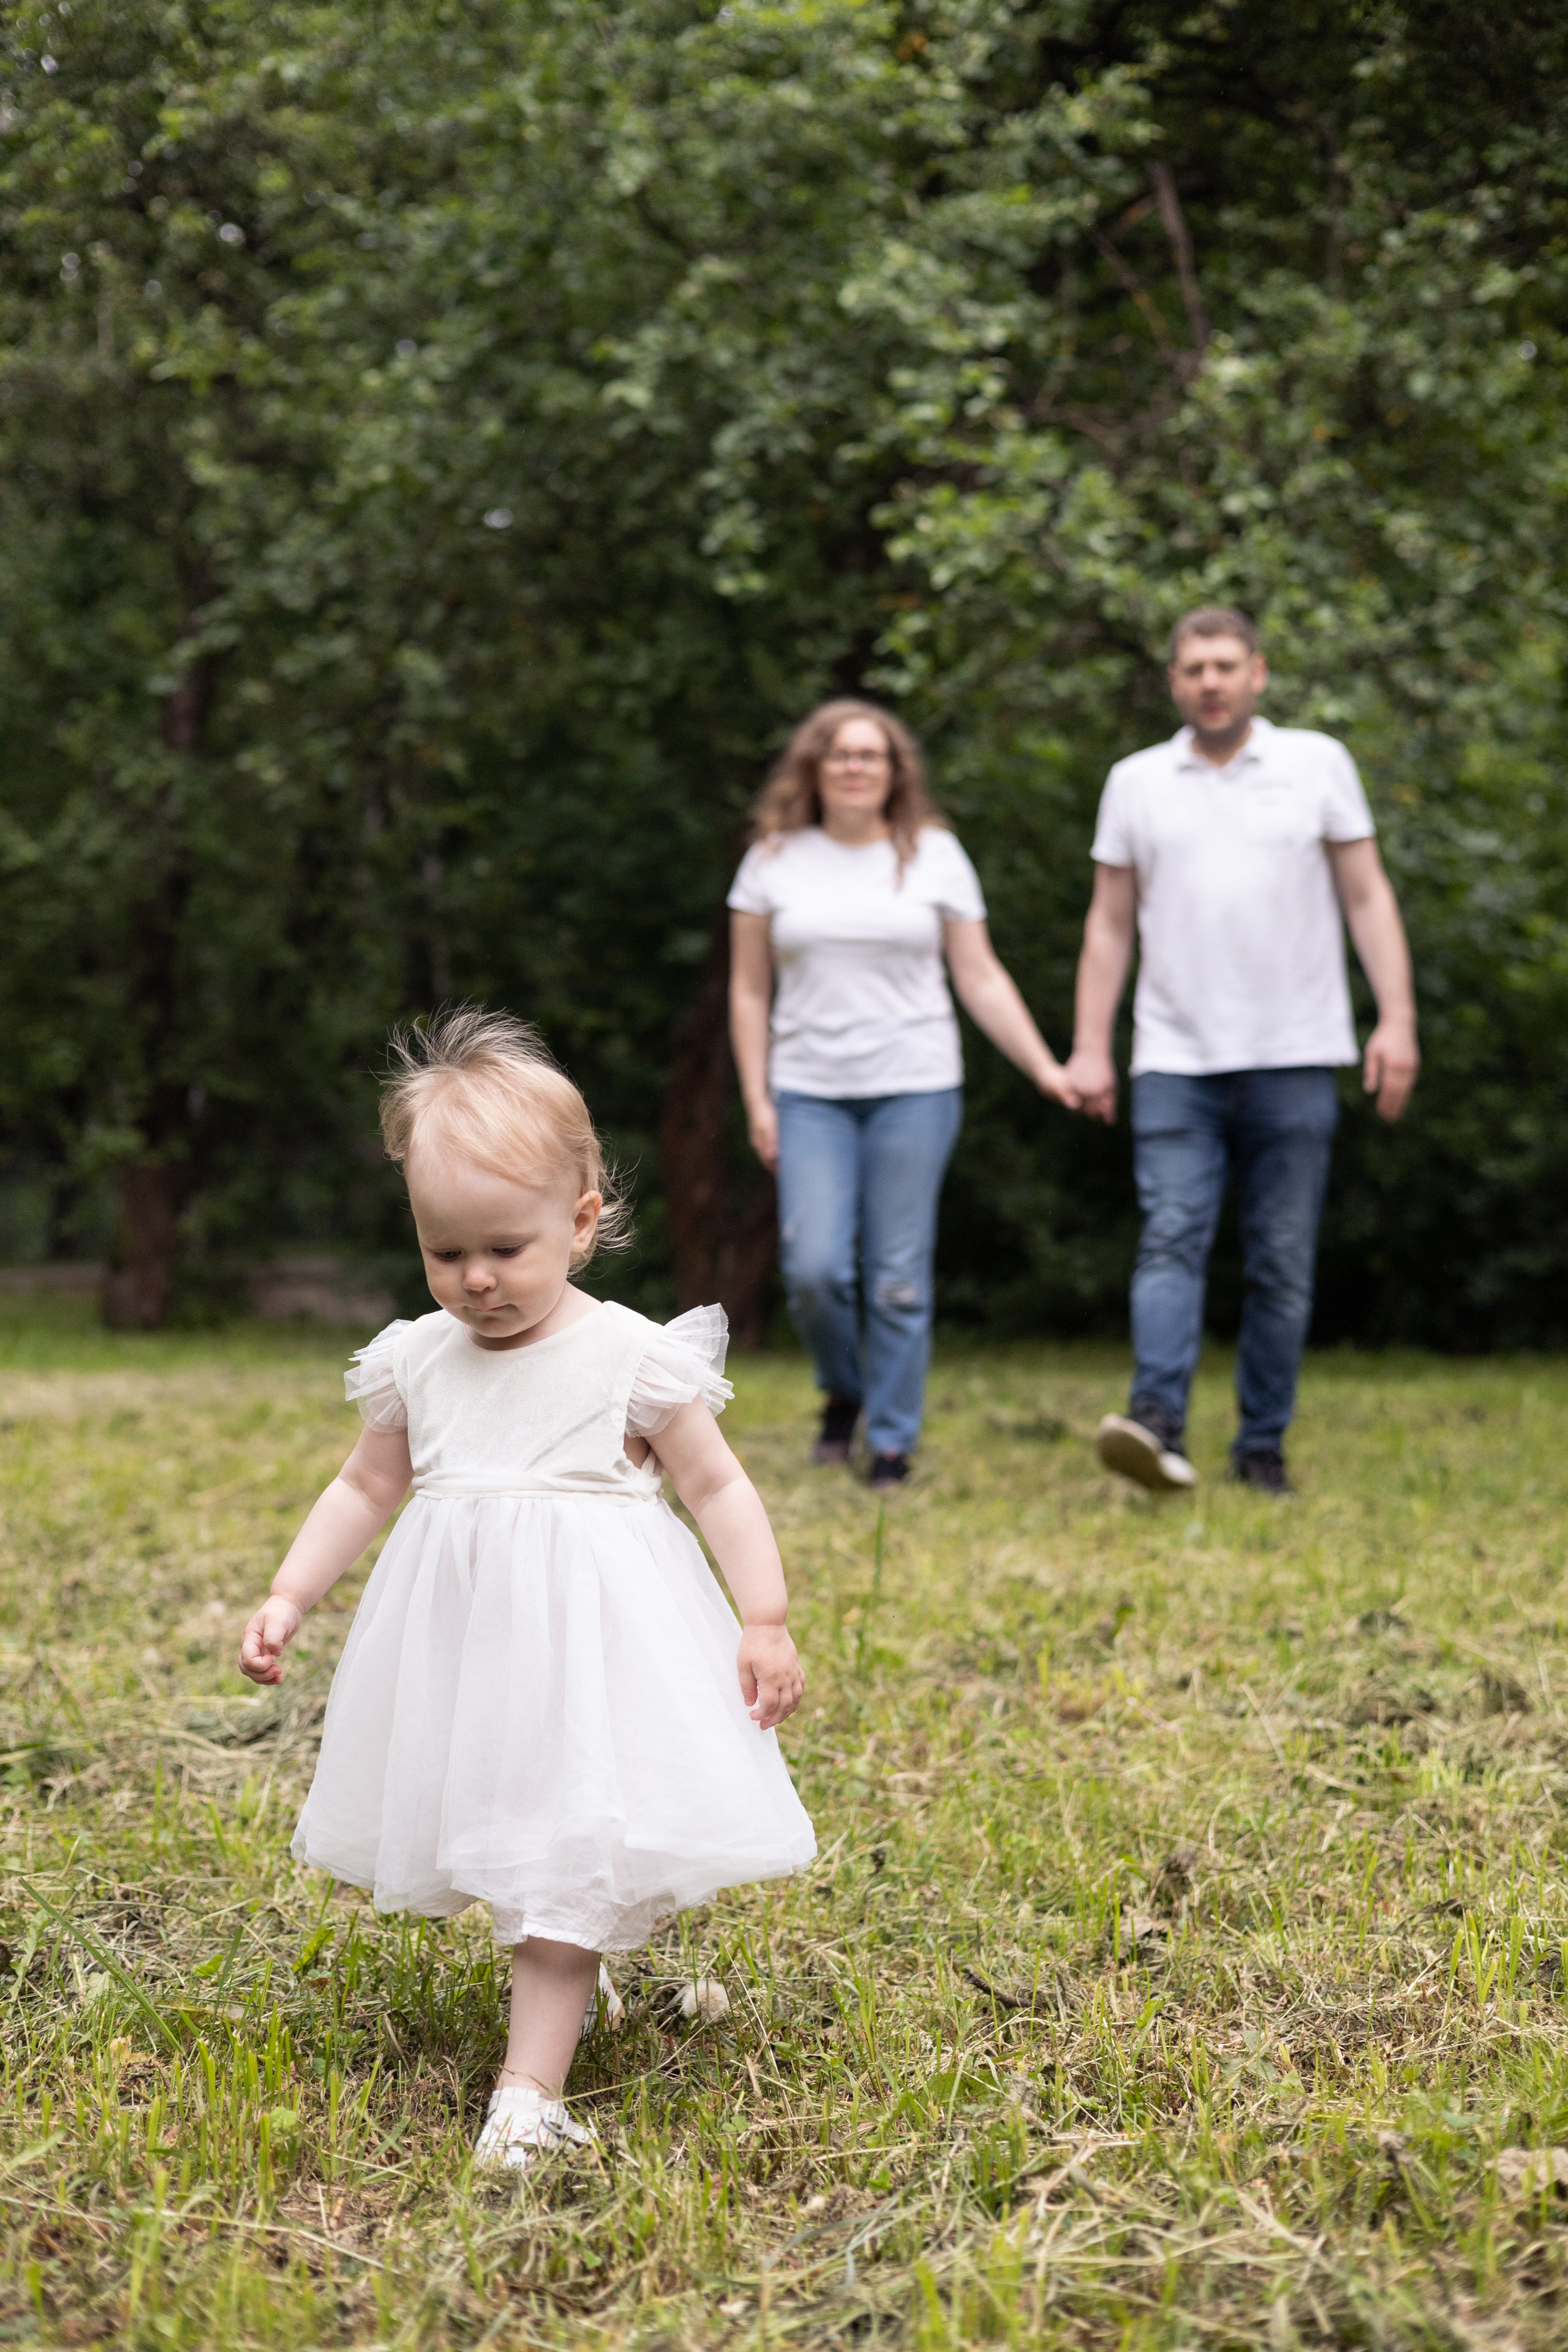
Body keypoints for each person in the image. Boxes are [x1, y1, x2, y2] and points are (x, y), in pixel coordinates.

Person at [238, 1009, 815, 2169]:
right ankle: (571, 1997)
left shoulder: (629, 1358)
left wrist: (764, 1616)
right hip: (471, 1663)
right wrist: (291, 1594)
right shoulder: (416, 1357)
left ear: (583, 1220)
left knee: (568, 1847)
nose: (477, 1280)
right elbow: (364, 1484)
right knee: (530, 1833)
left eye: (506, 1247)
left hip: (598, 1655)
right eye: (445, 1253)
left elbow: (720, 1489)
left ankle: (525, 2096)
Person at [1063, 608, 1419, 1496]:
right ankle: (1156, 1425)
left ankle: (1262, 1446)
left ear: (1258, 673)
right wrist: (1089, 1047)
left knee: (1281, 1259)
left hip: (1297, 1052)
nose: (1210, 681)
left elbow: (1368, 897)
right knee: (1171, 1237)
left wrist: (1397, 1019)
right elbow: (1109, 925)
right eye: (1193, 668)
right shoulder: (1136, 781)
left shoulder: (1316, 764)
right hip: (1175, 1058)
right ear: (1174, 682)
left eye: (1225, 665)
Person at [728, 698, 1077, 1486]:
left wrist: (1045, 1068)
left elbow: (979, 976)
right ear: (814, 767)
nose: (855, 767)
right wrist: (758, 1098)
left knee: (897, 1275)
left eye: (871, 755)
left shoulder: (936, 856)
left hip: (915, 1086)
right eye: (840, 755)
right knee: (814, 1270)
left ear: (895, 772)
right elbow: (748, 991)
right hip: (808, 1090)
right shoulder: (773, 859)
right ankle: (845, 1388)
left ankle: (890, 1442)